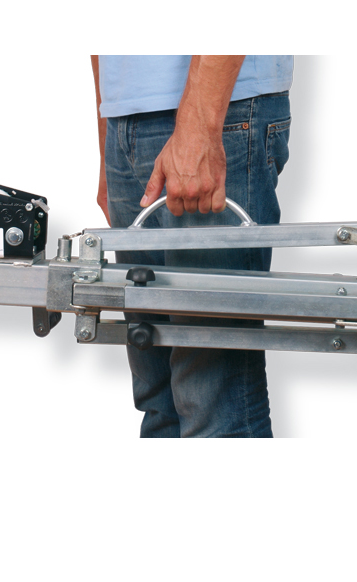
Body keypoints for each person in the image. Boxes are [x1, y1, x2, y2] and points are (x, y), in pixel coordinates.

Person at [91, 55, 293, 438]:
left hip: (221, 111)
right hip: (126, 117)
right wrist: (108, 142)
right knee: (158, 399)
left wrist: (200, 127)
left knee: (214, 398)